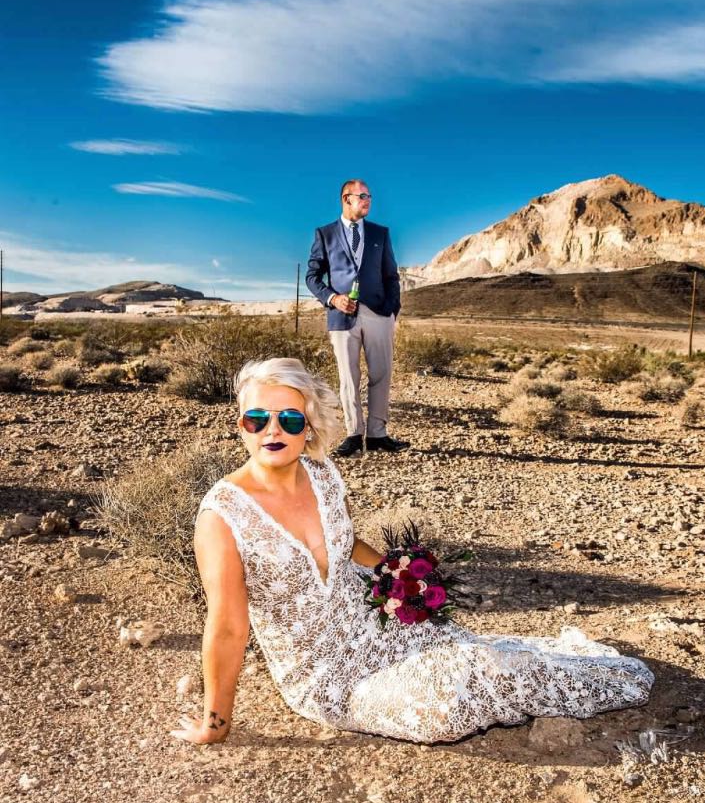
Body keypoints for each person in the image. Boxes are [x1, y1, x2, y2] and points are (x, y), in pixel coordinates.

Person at [171, 357, 654, 746]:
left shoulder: (324, 477)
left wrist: (398, 575)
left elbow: (346, 545)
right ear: (241, 426)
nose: (271, 430)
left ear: (309, 427)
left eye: (289, 418)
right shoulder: (222, 516)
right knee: (441, 708)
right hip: (323, 674)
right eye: (257, 418)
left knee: (480, 661)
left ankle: (546, 671)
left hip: (373, 627)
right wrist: (217, 721)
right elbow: (229, 627)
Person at [306, 179, 408, 457]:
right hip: (342, 317)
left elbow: (391, 275)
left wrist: (391, 311)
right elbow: (313, 277)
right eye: (361, 196)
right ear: (345, 198)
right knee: (348, 377)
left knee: (381, 375)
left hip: (378, 313)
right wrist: (333, 298)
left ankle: (378, 434)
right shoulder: (324, 234)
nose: (368, 200)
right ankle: (354, 434)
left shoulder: (380, 233)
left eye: (369, 196)